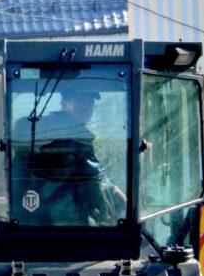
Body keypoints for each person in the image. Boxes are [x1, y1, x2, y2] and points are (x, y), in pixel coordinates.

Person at [14, 91, 125, 226]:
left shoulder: (42, 130)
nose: (86, 107)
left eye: (90, 103)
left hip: (27, 216)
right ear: (64, 104)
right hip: (67, 218)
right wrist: (117, 203)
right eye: (79, 101)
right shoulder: (77, 136)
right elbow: (95, 178)